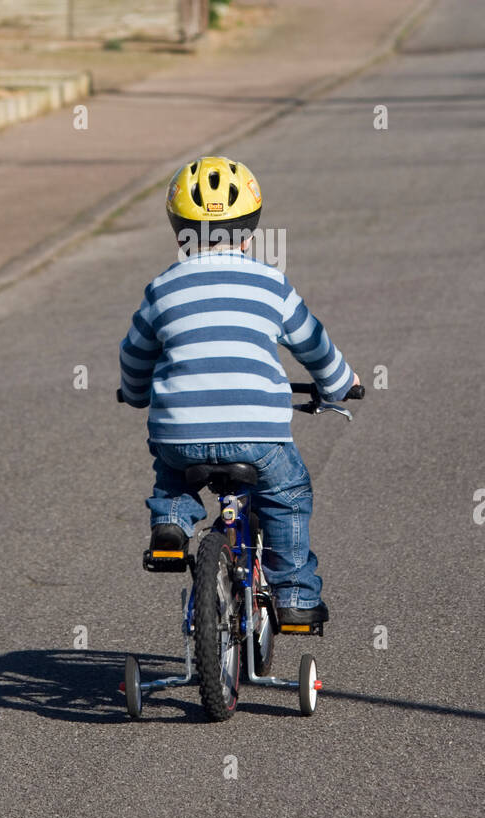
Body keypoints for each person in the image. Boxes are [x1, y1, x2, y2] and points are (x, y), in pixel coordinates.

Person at [118, 155, 359, 627]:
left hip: (180, 434)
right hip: (257, 434)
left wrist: (134, 392)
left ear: (178, 231)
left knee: (172, 475)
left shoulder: (162, 289)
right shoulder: (271, 283)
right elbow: (314, 343)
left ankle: (171, 523)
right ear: (250, 231)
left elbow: (134, 355)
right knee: (286, 495)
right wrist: (339, 384)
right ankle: (293, 596)